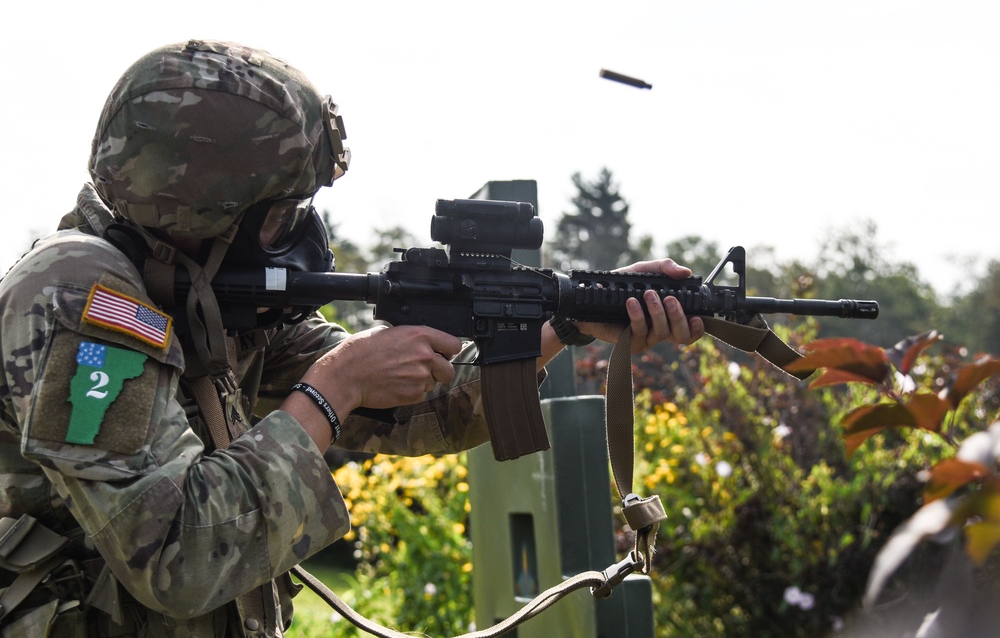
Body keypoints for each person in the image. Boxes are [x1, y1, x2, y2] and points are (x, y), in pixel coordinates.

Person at [0, 39, 704, 637]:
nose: (299, 236)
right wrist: (332, 390)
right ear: (204, 206)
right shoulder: (80, 298)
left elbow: (429, 412)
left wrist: (570, 321)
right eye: (281, 214)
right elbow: (178, 557)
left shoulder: (203, 294)